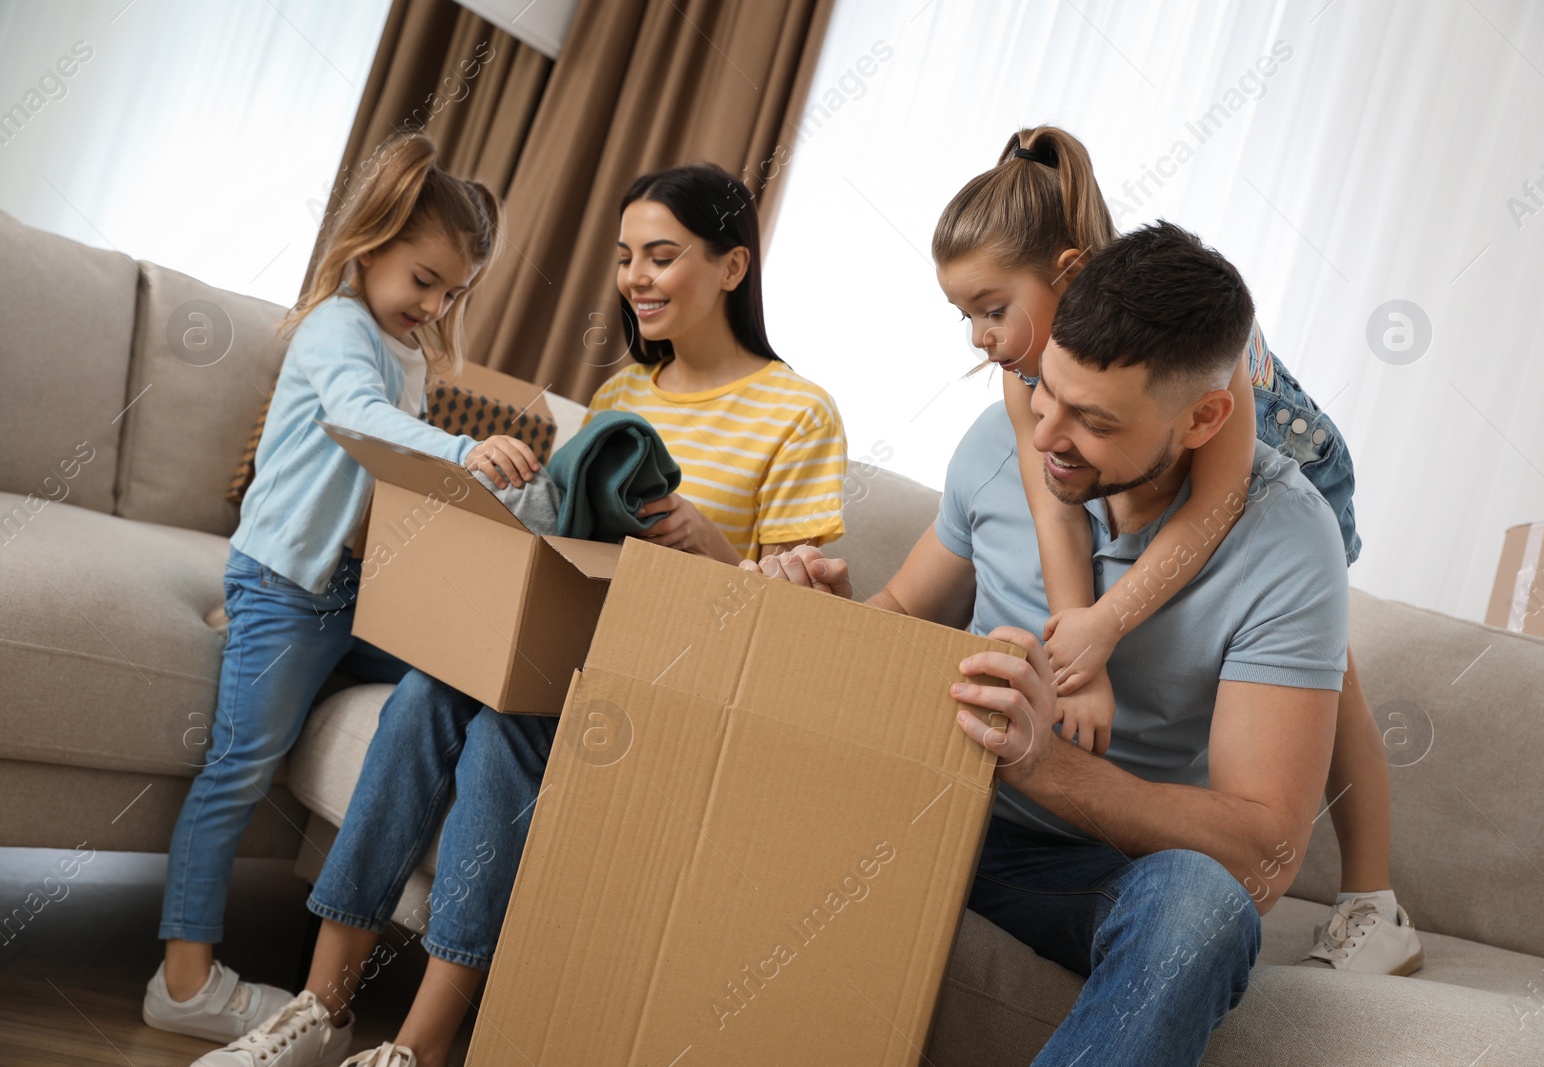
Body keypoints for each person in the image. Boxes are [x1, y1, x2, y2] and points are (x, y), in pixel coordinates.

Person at [192, 163, 848, 1067]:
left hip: (665, 681)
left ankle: (414, 1048)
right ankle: (321, 1009)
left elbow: (797, 617)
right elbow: (561, 536)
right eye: (625, 258)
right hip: (566, 650)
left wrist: (714, 548)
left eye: (662, 256)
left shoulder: (800, 413)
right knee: (426, 690)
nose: (636, 279)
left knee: (502, 734)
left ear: (734, 267)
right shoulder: (621, 398)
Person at [750, 221, 1361, 1064]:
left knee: (1201, 907)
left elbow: (1264, 853)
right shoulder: (1001, 441)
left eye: (1093, 421)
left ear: (1203, 419)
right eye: (1047, 395)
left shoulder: (1289, 542)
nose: (1043, 438)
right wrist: (825, 623)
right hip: (925, 805)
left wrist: (1048, 765)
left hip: (1086, 867)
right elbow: (899, 609)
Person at [932, 125, 1418, 973]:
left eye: (992, 310)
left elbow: (1214, 508)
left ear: (1070, 275)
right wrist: (1080, 641)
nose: (979, 337)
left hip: (1288, 456)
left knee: (1330, 677)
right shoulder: (1026, 376)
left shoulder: (1196, 358)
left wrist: (1111, 624)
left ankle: (1373, 900)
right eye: (964, 315)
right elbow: (1054, 513)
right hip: (1173, 450)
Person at [142, 131, 537, 1045]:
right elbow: (357, 422)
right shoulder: (336, 330)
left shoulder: (405, 351)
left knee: (459, 665)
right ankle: (182, 979)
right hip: (285, 578)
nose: (434, 306)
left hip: (342, 593)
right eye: (423, 281)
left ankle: (257, 631)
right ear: (369, 247)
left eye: (455, 293)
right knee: (235, 768)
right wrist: (463, 450)